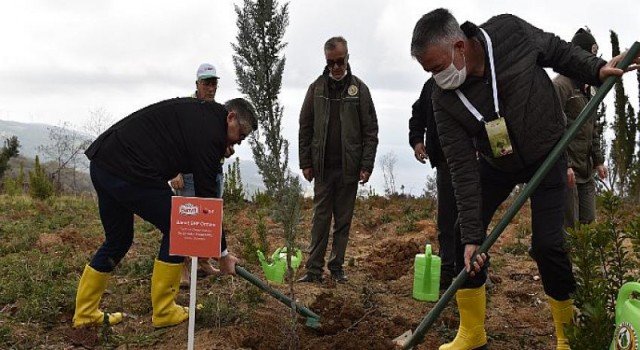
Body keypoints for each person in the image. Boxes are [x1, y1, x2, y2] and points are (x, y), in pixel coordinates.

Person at [410, 8, 639, 350]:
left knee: (548, 245)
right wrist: (474, 237)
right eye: (428, 71)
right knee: (462, 237)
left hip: (547, 155)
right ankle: (472, 333)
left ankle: (566, 337)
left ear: (459, 46)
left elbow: (555, 50)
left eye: (437, 68)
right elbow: (461, 167)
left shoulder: (509, 32)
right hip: (498, 163)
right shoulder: (444, 99)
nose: (435, 78)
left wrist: (594, 68)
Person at [72, 97, 257, 328]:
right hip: (129, 168)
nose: (239, 142)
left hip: (104, 163)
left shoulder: (203, 117)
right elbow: (207, 200)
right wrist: (222, 253)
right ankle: (164, 311)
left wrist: (218, 149)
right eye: (241, 134)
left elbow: (188, 150)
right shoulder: (210, 131)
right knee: (179, 227)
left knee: (118, 239)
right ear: (230, 117)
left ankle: (85, 313)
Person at [297, 36, 379, 284]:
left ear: (347, 58)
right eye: (331, 62)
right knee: (320, 220)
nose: (335, 67)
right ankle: (313, 270)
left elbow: (370, 131)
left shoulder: (360, 90)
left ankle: (337, 267)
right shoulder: (316, 89)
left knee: (342, 220)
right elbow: (305, 126)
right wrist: (305, 162)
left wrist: (366, 165)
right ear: (326, 61)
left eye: (340, 61)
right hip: (322, 168)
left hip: (349, 169)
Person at [169, 63, 232, 287]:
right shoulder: (185, 108)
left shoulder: (220, 112)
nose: (211, 88)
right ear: (197, 84)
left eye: (214, 83)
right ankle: (184, 267)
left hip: (214, 173)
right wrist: (174, 171)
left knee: (211, 218)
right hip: (188, 174)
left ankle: (203, 262)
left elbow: (223, 143)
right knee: (187, 220)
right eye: (206, 83)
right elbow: (173, 142)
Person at [553, 29, 608, 230]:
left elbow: (591, 128)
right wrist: (564, 164)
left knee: (588, 226)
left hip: (586, 172)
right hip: (567, 172)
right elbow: (553, 129)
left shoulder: (589, 90)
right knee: (569, 228)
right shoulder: (560, 86)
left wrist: (599, 161)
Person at [409, 77, 457, 289]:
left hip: (475, 164)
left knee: (474, 218)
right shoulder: (430, 86)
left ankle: (475, 269)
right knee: (446, 219)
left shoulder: (473, 80)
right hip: (445, 163)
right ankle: (447, 268)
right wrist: (417, 141)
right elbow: (417, 116)